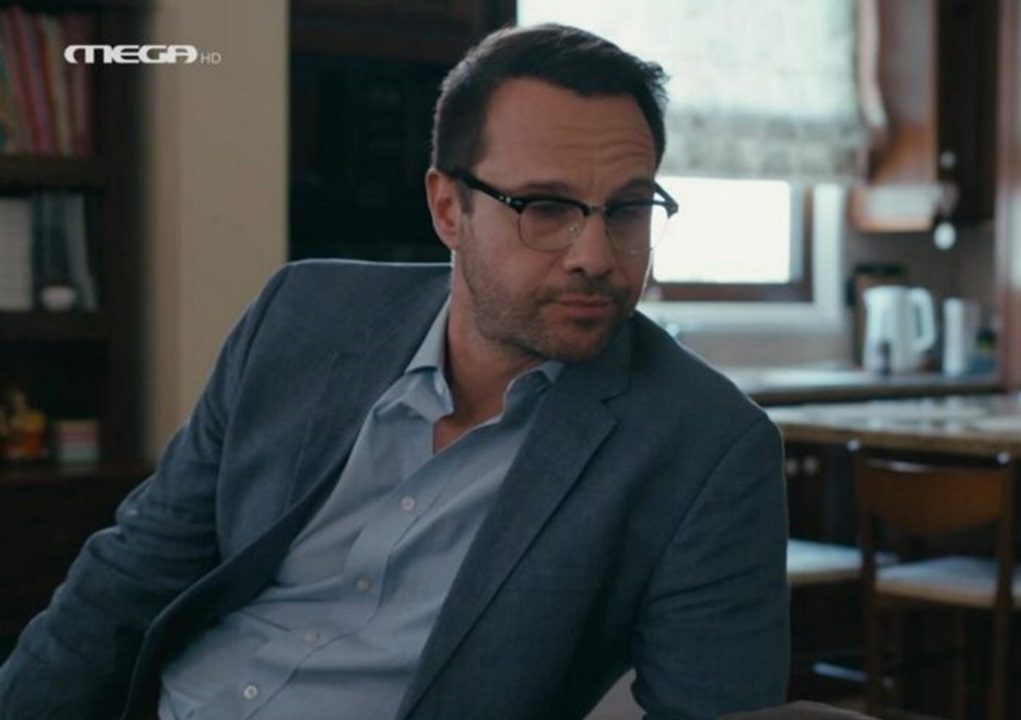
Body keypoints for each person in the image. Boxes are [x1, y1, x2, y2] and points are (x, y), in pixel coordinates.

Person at [0, 23, 788, 720]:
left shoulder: (706, 447)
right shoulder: (301, 316)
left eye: (627, 208)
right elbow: (124, 585)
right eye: (546, 208)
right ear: (448, 210)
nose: (596, 256)